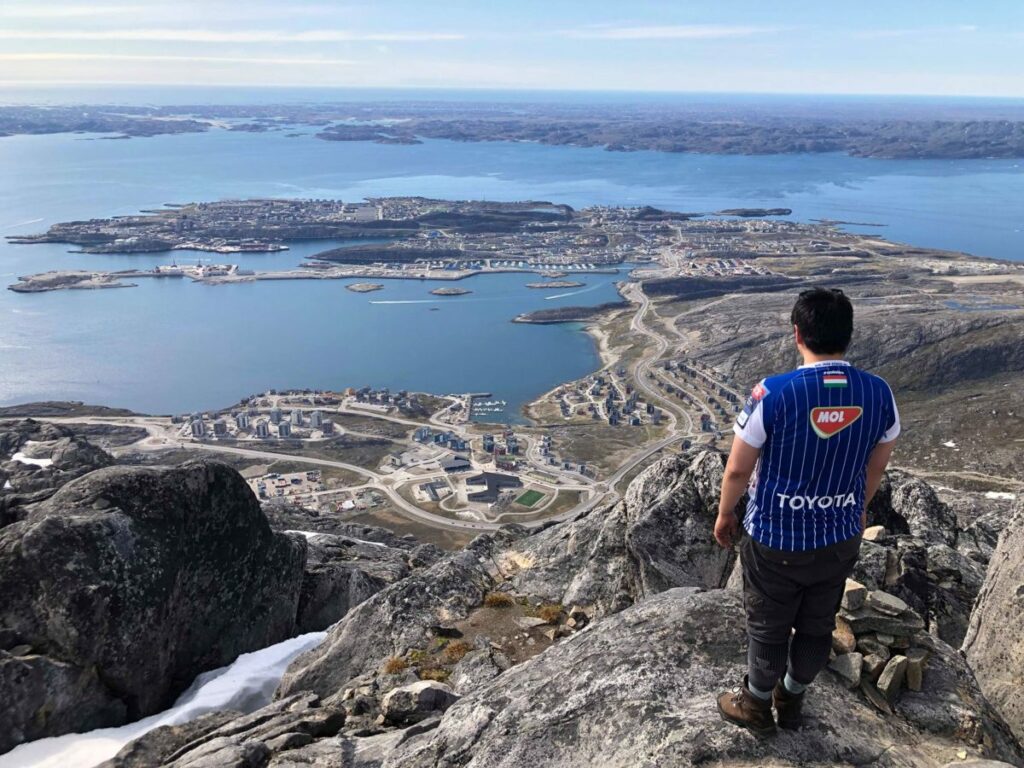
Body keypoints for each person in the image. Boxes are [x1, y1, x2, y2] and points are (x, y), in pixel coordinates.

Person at [714, 287, 900, 736]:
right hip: (838, 537)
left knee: (768, 626)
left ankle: (756, 705)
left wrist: (724, 515)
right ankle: (792, 700)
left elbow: (738, 469)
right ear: (848, 336)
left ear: (797, 333)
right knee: (818, 625)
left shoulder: (772, 392)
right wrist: (857, 508)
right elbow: (877, 464)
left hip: (776, 537)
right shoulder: (879, 393)